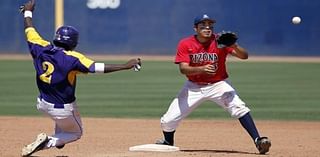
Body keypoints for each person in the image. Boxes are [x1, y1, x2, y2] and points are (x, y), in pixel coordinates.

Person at [20, 0, 141, 156]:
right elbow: (96, 68)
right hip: (63, 109)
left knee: (62, 124)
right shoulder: (73, 59)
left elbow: (29, 28)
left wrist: (27, 12)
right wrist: (125, 65)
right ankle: (49, 141)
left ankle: (58, 138)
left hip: (42, 103)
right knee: (76, 134)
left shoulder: (39, 47)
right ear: (73, 43)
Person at [155, 14, 271, 154]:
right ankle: (168, 141)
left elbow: (244, 56)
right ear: (195, 28)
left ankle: (258, 140)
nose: (207, 27)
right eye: (203, 25)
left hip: (218, 84)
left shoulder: (220, 41)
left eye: (210, 25)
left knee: (239, 107)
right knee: (168, 120)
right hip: (194, 86)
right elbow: (183, 69)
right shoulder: (186, 43)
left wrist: (235, 45)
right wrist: (201, 69)